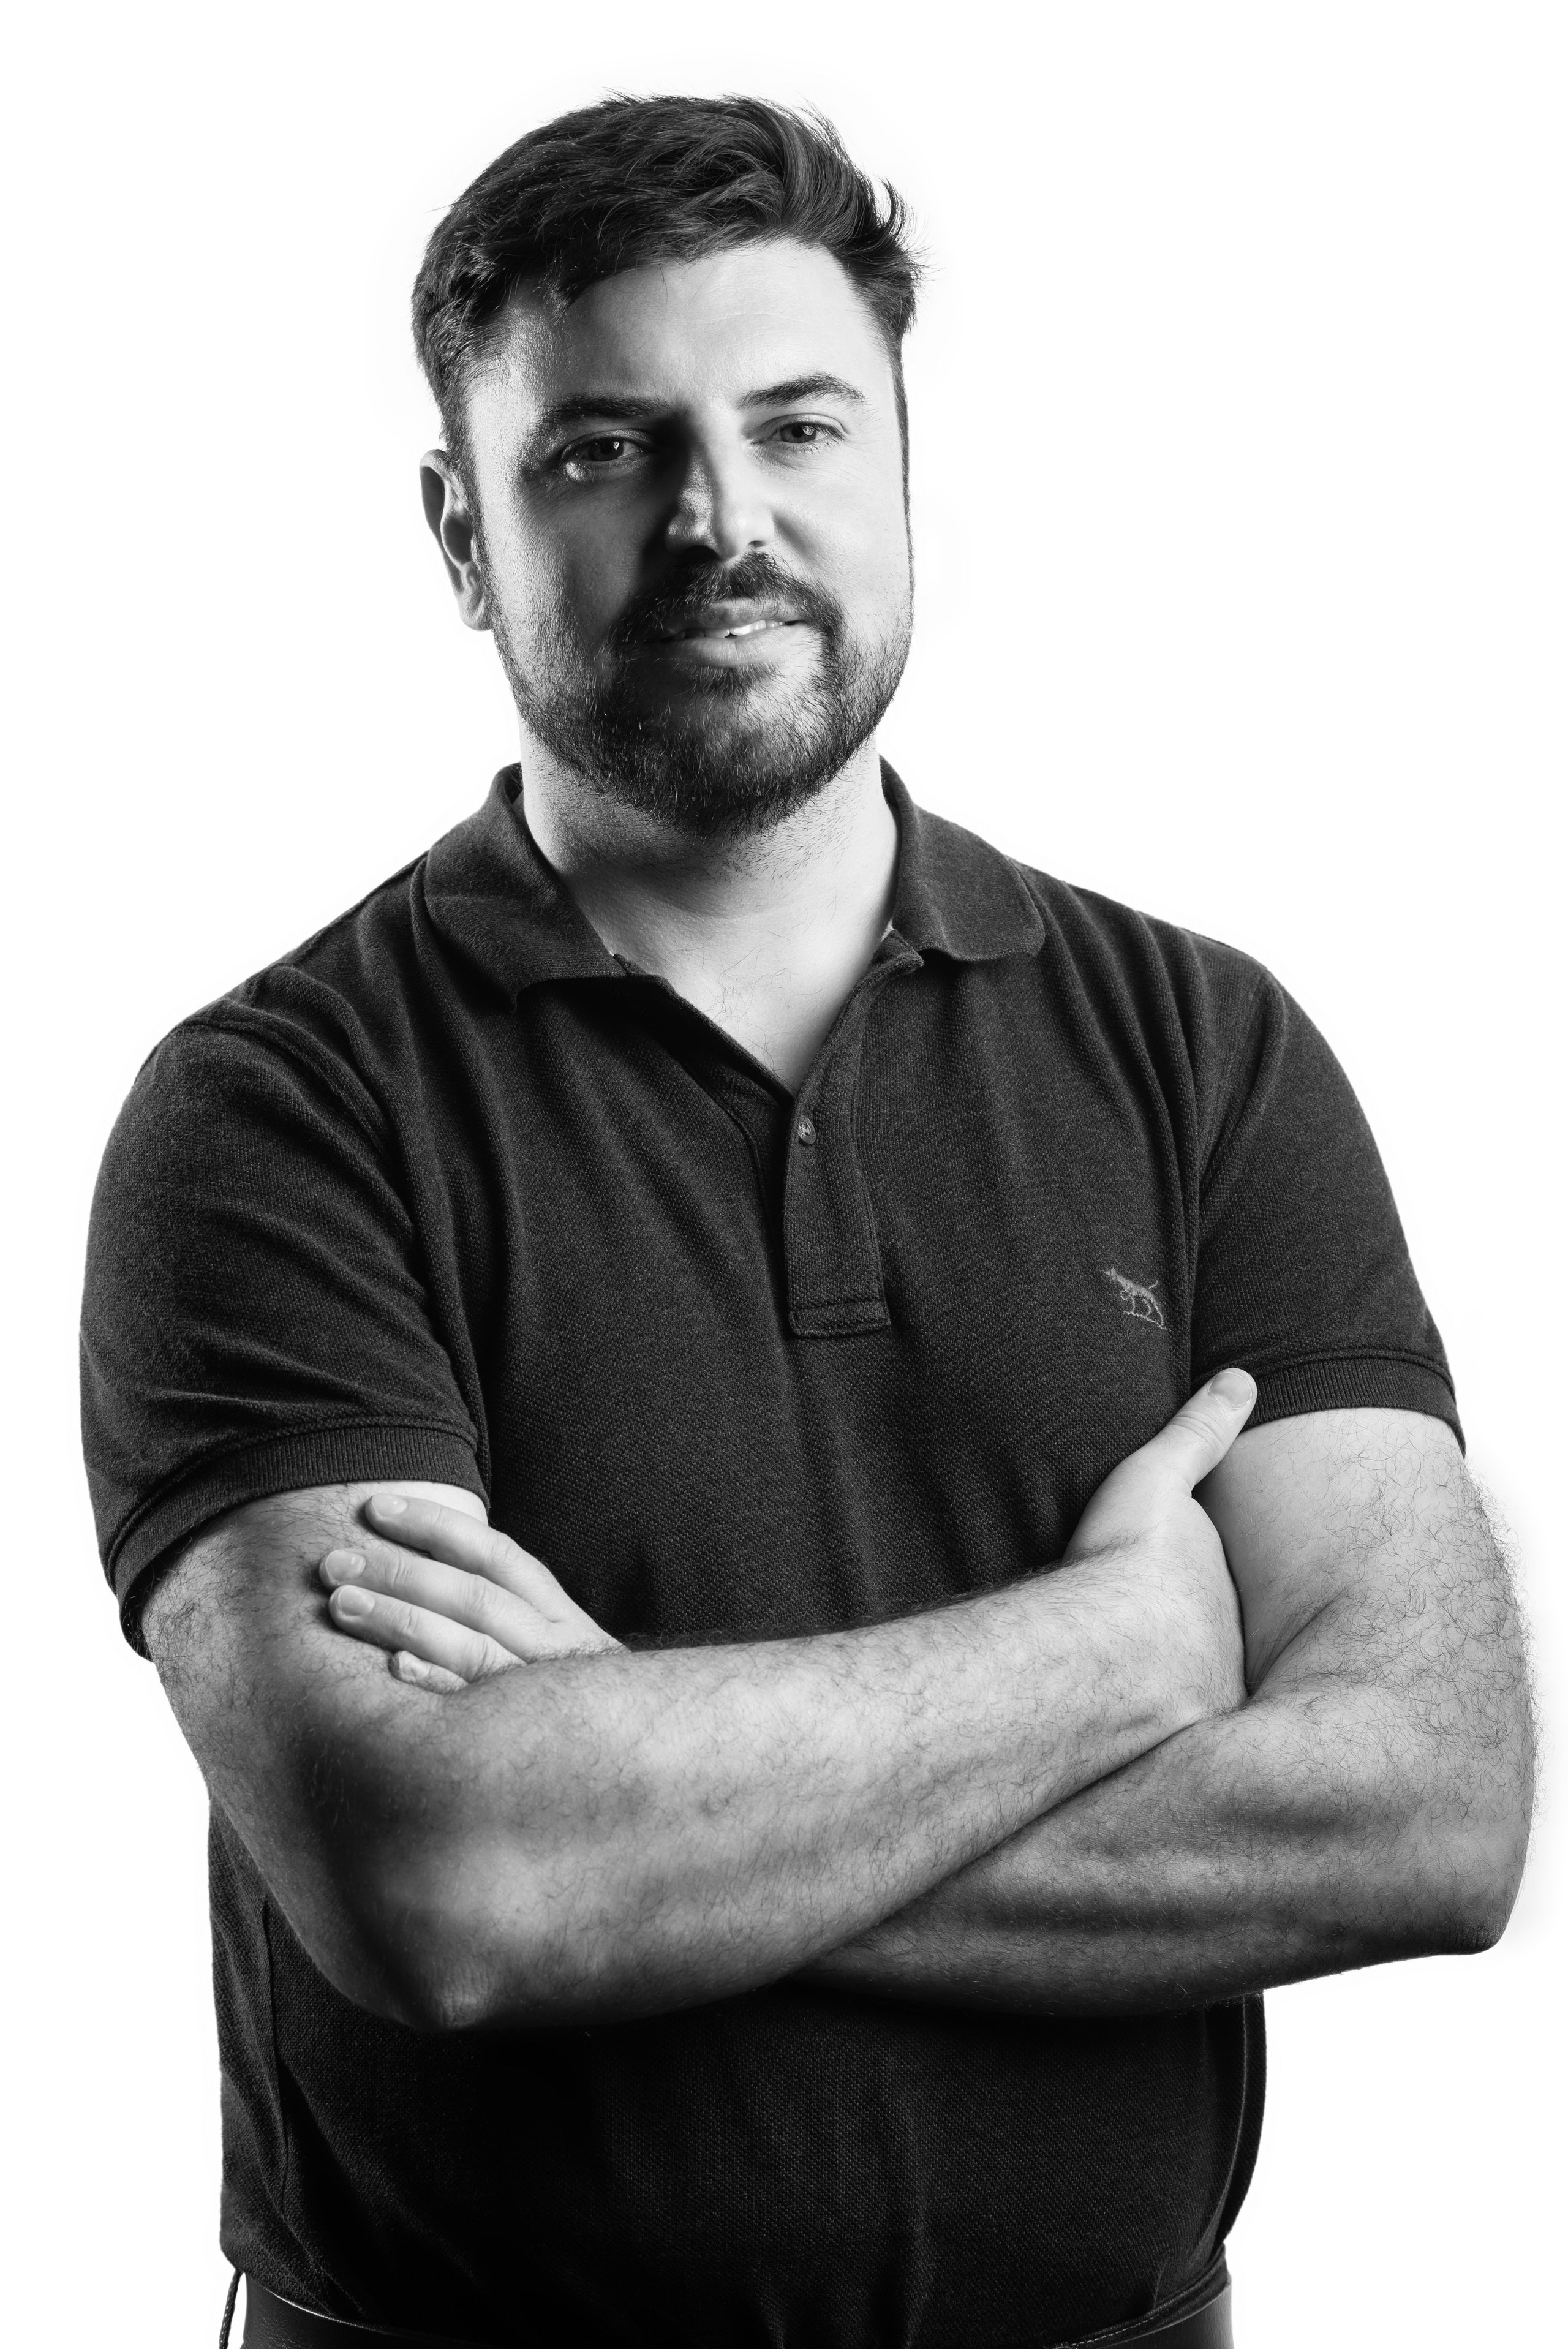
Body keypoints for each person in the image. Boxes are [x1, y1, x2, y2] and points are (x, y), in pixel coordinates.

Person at [80, 96, 1535, 2349]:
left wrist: (632, 1817)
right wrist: (1117, 1655)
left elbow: (1426, 1807)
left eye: (798, 426)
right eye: (604, 450)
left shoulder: (1205, 1050)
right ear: (462, 532)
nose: (721, 521)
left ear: (904, 470)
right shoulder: (276, 1113)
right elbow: (447, 1880)